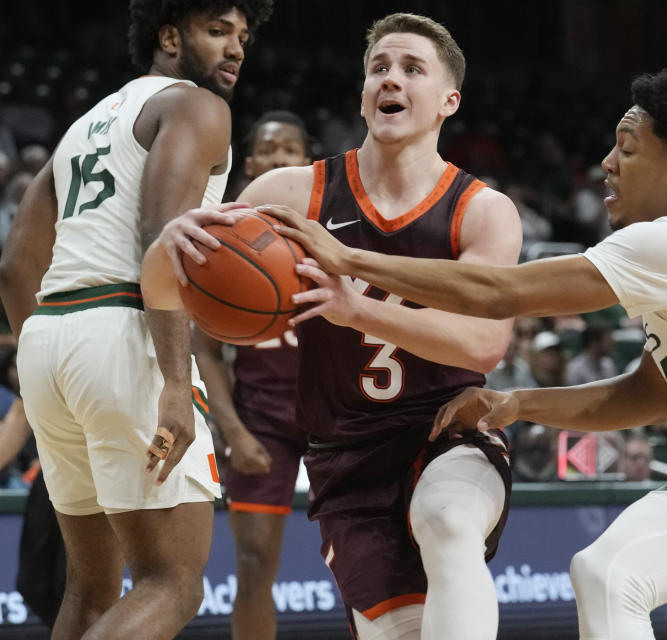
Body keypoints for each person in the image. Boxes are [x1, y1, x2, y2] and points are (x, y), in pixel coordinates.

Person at [266, 67, 667, 639]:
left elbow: (498, 291)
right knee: (604, 572)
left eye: (627, 149)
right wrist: (515, 403)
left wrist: (345, 258)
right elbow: (648, 394)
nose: (606, 163)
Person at [143, 13, 521, 640]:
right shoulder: (291, 194)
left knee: (450, 523)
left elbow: (485, 342)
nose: (389, 80)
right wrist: (168, 246)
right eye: (378, 69)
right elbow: (162, 287)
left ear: (448, 101)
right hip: (345, 455)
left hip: (446, 429)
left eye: (411, 69)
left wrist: (357, 308)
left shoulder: (481, 211)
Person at [0, 2, 273, 638]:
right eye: (217, 32)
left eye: (243, 36)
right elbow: (164, 235)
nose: (235, 48)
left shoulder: (87, 123)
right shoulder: (198, 107)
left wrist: (52, 363)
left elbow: (15, 263)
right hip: (127, 332)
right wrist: (175, 382)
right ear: (170, 36)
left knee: (91, 588)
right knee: (172, 582)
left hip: (51, 336)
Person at [192, 110, 311, 640]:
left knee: (361, 563)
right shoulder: (223, 234)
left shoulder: (333, 232)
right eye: (269, 149)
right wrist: (233, 430)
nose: (281, 158)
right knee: (255, 565)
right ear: (251, 162)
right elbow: (206, 351)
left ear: (307, 162)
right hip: (261, 418)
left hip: (335, 416)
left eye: (291, 149)